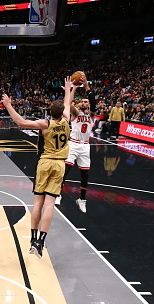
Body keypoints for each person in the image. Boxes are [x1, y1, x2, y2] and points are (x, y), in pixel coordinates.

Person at [2, 76, 75, 258]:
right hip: (60, 164)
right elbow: (67, 103)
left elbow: (21, 122)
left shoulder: (45, 124)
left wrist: (8, 105)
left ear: (49, 111)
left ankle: (33, 238)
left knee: (38, 202)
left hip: (45, 162)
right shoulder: (66, 121)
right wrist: (68, 90)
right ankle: (41, 241)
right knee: (50, 204)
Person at [59, 77, 95, 213]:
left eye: (87, 101)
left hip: (85, 146)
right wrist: (72, 89)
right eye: (83, 101)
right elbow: (67, 103)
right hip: (73, 144)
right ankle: (57, 194)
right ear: (80, 104)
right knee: (66, 170)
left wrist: (86, 86)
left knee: (85, 175)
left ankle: (82, 199)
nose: (86, 102)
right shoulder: (75, 113)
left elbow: (94, 102)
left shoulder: (92, 115)